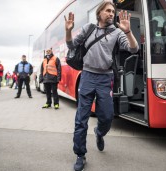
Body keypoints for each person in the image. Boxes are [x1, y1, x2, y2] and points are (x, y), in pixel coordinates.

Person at [65, 2, 139, 170]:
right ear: (100, 13)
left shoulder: (117, 32)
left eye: (113, 11)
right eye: (108, 11)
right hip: (87, 77)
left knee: (106, 116)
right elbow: (71, 46)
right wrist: (68, 30)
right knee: (81, 119)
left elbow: (134, 49)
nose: (111, 13)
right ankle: (80, 155)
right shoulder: (88, 28)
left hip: (106, 78)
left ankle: (99, 132)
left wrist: (128, 31)